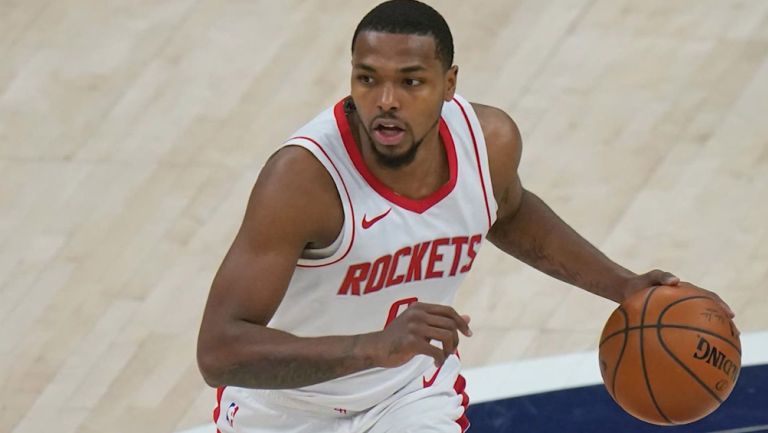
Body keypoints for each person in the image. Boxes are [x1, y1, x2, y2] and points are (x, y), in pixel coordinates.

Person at [196, 1, 734, 432]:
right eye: (367, 79)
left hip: (406, 396)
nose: (385, 100)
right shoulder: (304, 180)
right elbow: (219, 351)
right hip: (283, 408)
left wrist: (623, 285)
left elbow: (510, 212)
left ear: (448, 84)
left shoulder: (488, 143)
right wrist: (371, 347)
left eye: (410, 82)